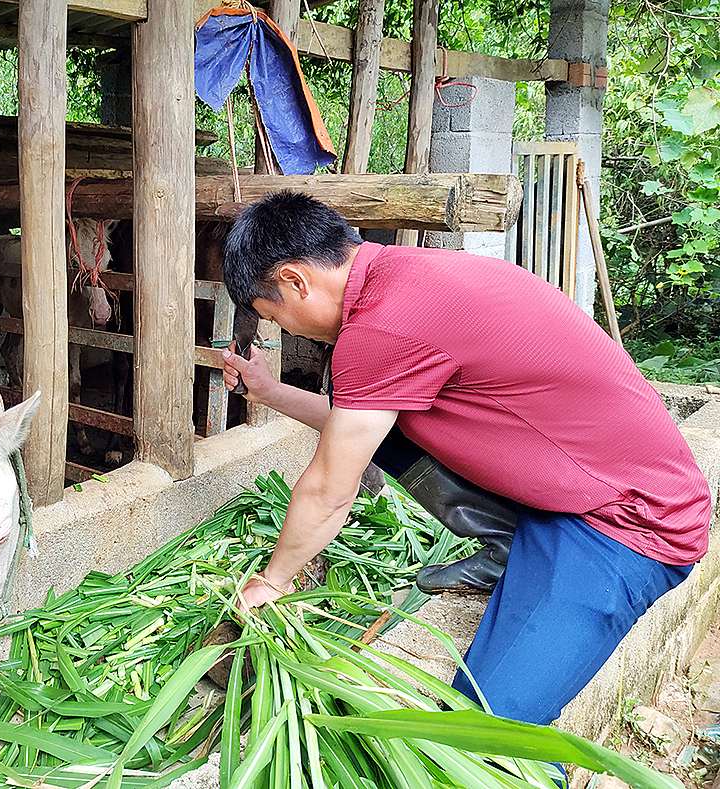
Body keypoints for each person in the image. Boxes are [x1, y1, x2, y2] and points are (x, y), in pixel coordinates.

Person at [220, 190, 710, 727]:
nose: (287, 330)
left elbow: (328, 490)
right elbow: (352, 430)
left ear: (295, 280)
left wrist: (272, 583)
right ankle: (508, 546)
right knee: (374, 415)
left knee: (486, 729)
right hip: (575, 489)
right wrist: (269, 392)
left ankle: (527, 579)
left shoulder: (382, 326)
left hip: (626, 523)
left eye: (274, 315)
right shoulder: (405, 277)